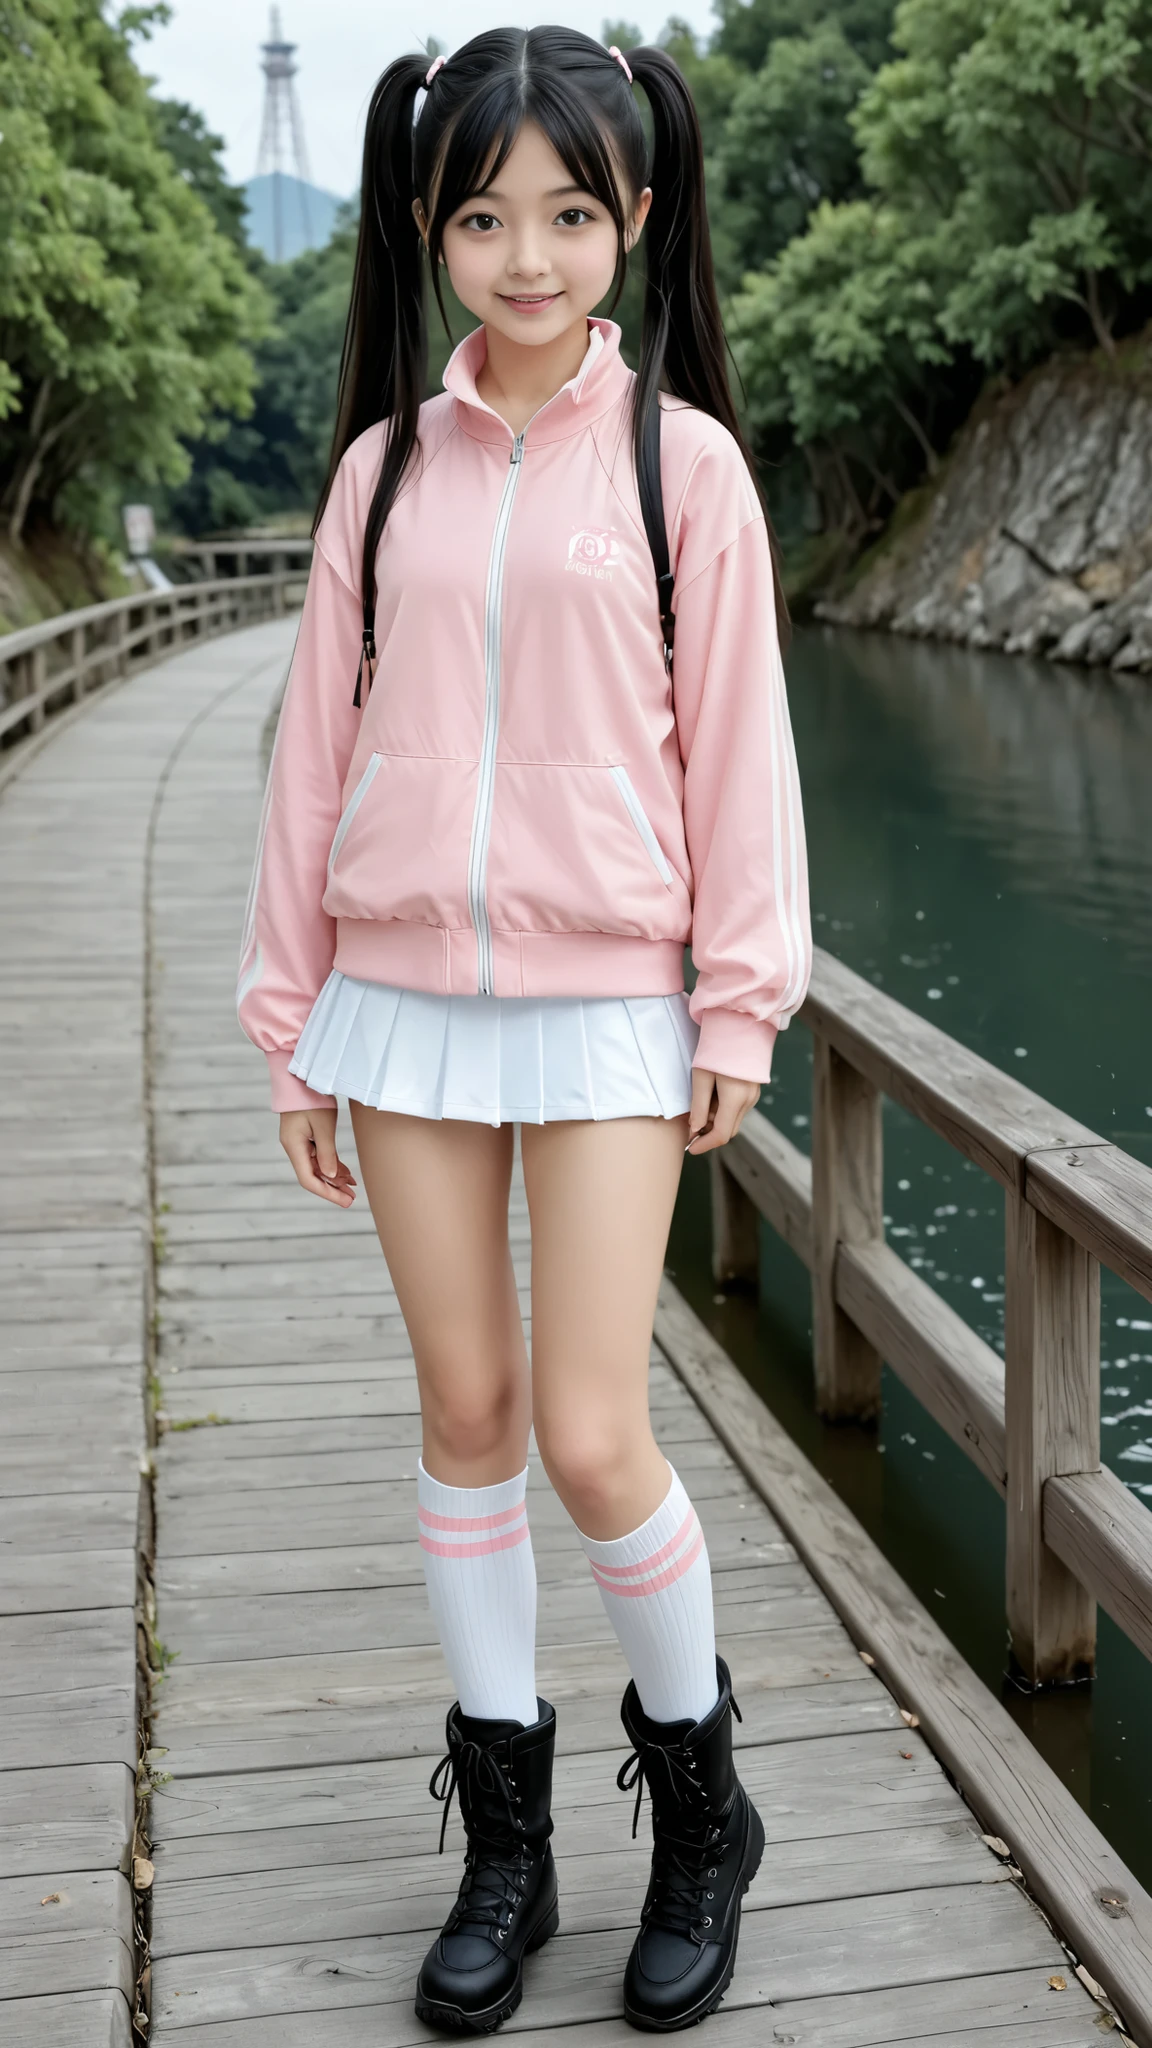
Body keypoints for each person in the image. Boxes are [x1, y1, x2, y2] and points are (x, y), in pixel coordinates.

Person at [237, 25, 810, 2035]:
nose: (529, 253)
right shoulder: (381, 474)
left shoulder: (687, 470)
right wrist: (293, 1018)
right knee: (466, 1415)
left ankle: (705, 1805)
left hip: (603, 1014)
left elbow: (743, 758)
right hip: (398, 1004)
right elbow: (316, 755)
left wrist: (741, 997)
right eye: (486, 215)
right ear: (431, 225)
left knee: (588, 1429)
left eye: (571, 211)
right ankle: (509, 1838)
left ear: (636, 217)